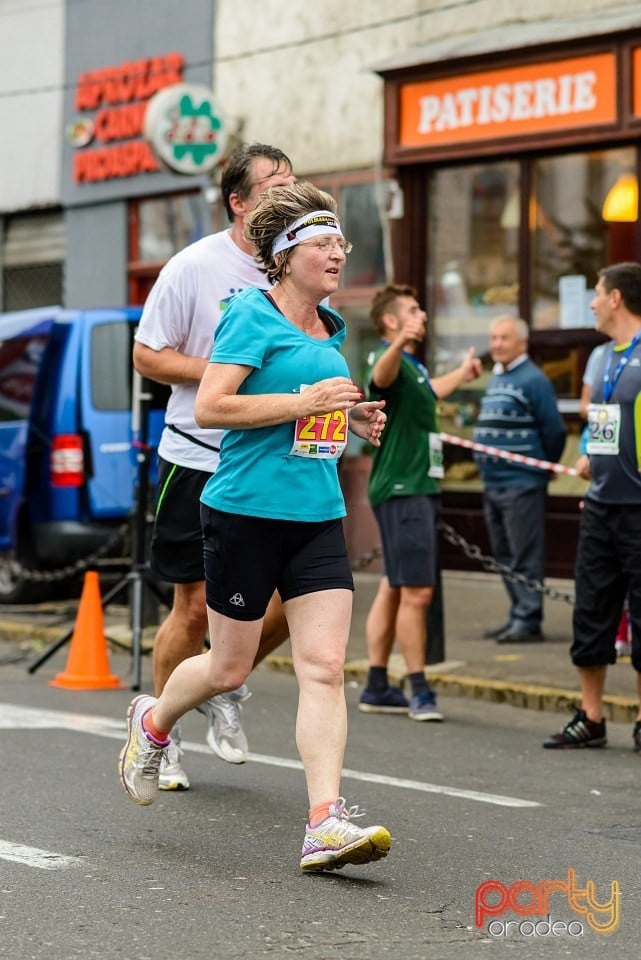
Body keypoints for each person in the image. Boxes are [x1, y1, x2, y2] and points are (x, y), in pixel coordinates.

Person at [120, 181, 392, 873]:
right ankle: (152, 723)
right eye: (323, 243)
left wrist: (348, 417)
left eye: (340, 242)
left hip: (317, 515)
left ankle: (324, 822)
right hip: (244, 512)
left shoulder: (329, 328)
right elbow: (210, 408)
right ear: (284, 254)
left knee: (325, 667)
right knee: (228, 665)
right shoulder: (248, 315)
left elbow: (309, 413)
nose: (337, 253)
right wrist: (305, 401)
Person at [132, 143, 296, 790]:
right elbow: (149, 356)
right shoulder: (194, 267)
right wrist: (224, 373)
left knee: (289, 604)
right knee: (194, 608)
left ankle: (225, 681)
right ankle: (159, 729)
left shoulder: (295, 266)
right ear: (239, 199)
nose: (288, 193)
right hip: (197, 454)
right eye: (274, 185)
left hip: (273, 454)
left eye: (293, 183)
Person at [358, 283, 482, 721]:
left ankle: (376, 684)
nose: (423, 315)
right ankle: (419, 689)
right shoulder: (387, 356)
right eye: (412, 311)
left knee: (395, 585)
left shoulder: (414, 366)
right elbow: (379, 380)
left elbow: (431, 391)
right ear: (390, 321)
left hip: (412, 487)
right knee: (418, 592)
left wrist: (463, 372)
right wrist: (400, 340)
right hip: (403, 489)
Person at [543, 262, 641, 751]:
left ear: (618, 298)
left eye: (598, 294)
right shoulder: (601, 357)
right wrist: (590, 454)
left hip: (640, 505)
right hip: (602, 503)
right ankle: (591, 716)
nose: (593, 302)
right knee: (592, 611)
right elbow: (598, 418)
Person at [474, 315, 567, 644]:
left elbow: (555, 430)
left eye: (504, 338)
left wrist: (542, 466)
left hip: (521, 483)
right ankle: (518, 614)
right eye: (494, 337)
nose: (496, 344)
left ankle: (528, 619)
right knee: (503, 553)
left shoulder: (533, 379)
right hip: (493, 482)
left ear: (522, 343)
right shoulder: (498, 376)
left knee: (524, 553)